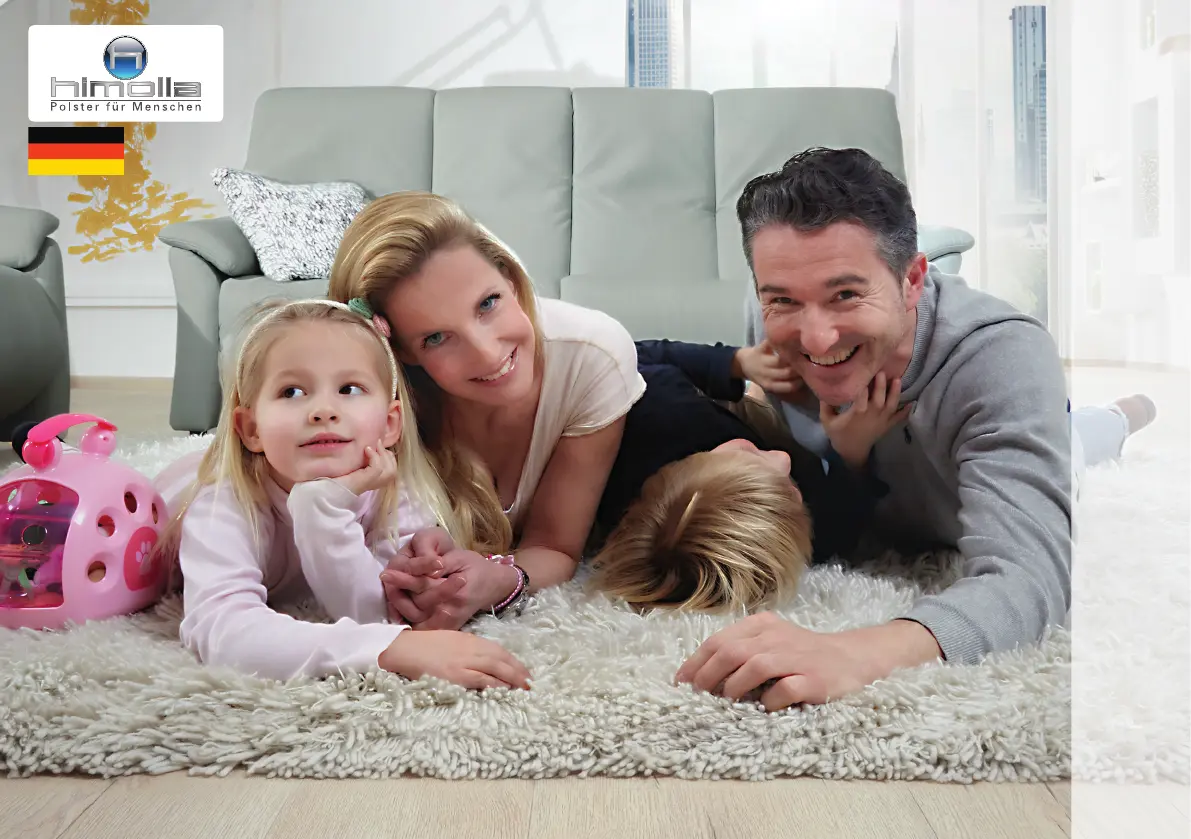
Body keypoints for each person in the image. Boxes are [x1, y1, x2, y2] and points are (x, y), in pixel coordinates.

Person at [675, 147, 1157, 710]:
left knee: (1085, 440)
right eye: (783, 300)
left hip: (1008, 459)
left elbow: (1031, 578)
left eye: (846, 295)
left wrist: (859, 653)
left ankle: (1127, 413)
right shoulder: (772, 310)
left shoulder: (1002, 357)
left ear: (912, 280)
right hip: (894, 504)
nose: (816, 339)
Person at [150, 298, 531, 690]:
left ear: (390, 424)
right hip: (163, 501)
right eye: (292, 392)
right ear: (251, 429)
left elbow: (377, 613)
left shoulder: (394, 493)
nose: (323, 410)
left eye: (349, 388)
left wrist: (322, 509)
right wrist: (389, 649)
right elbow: (221, 631)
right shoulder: (221, 504)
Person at [327, 192, 645, 629]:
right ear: (401, 352)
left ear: (511, 279)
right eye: (436, 338)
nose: (487, 353)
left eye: (488, 303)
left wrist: (498, 580)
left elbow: (555, 545)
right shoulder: (378, 403)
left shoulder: (593, 356)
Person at [585, 337, 899, 613]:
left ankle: (754, 398)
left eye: (750, 456)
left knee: (764, 402)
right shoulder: (800, 536)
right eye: (791, 491)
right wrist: (852, 450)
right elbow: (844, 523)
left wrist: (736, 362)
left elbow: (628, 352)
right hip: (738, 438)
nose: (782, 460)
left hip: (711, 414)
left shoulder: (655, 406)